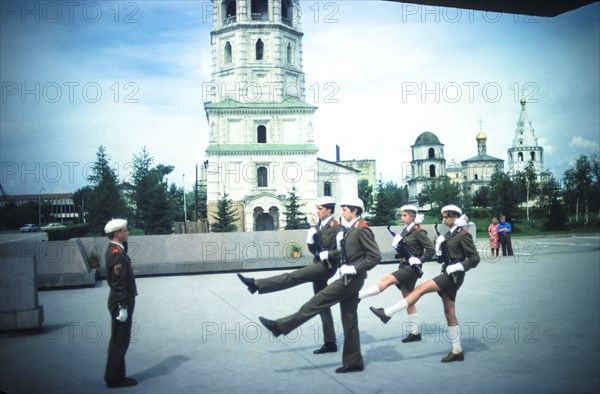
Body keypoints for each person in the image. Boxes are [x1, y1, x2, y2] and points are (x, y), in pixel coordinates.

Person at [258, 197, 381, 373]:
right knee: (349, 320)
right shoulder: (349, 229)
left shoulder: (362, 229)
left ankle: (280, 326)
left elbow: (375, 256)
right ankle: (354, 362)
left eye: (345, 209)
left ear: (354, 211)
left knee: (316, 302)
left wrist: (354, 268)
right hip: (348, 278)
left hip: (352, 279)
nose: (343, 211)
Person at [369, 205, 480, 363]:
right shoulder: (448, 235)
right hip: (447, 272)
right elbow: (443, 257)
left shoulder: (463, 235)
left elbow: (474, 258)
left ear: (455, 217)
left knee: (420, 289)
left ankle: (388, 312)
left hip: (454, 275)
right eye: (443, 216)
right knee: (449, 313)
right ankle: (457, 351)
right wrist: (441, 249)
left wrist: (460, 265)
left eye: (447, 216)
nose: (444, 219)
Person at [236, 196, 341, 354]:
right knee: (321, 304)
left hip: (327, 267)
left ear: (329, 210)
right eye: (317, 208)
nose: (317, 212)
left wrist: (328, 254)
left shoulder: (337, 228)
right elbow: (314, 251)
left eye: (320, 209)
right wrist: (312, 235)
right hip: (320, 264)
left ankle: (256, 284)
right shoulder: (319, 226)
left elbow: (341, 252)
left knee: (294, 276)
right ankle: (330, 342)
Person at [358, 205, 435, 343]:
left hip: (412, 269)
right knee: (409, 299)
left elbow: (431, 250)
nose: (402, 217)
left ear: (412, 216)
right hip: (404, 265)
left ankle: (358, 297)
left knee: (386, 280)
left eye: (405, 215)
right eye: (401, 215)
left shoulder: (419, 232)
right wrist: (398, 246)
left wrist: (419, 259)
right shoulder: (406, 231)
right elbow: (405, 250)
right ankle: (415, 332)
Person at [104, 219, 138, 388]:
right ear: (117, 233)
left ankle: (115, 375)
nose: (128, 232)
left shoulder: (118, 250)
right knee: (119, 341)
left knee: (120, 339)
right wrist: (122, 307)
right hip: (120, 303)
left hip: (121, 300)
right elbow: (118, 283)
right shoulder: (116, 253)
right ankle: (114, 379)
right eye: (125, 230)